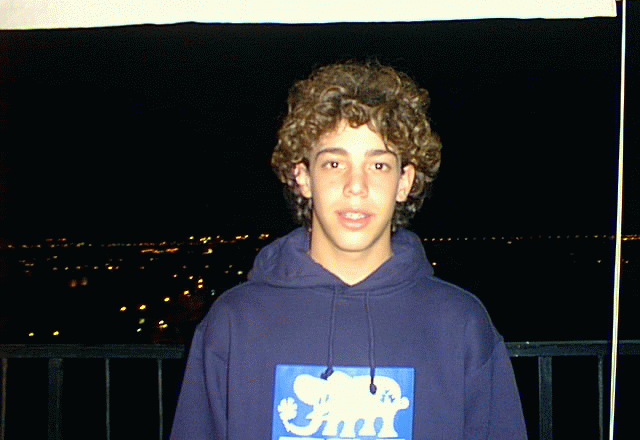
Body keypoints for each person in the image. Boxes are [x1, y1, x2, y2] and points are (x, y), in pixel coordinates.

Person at [170, 61, 527, 440]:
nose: (356, 185)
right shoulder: (234, 323)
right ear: (303, 177)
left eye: (378, 164)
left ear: (404, 181)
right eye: (334, 163)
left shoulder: (461, 325)